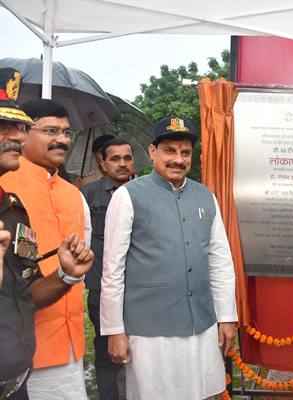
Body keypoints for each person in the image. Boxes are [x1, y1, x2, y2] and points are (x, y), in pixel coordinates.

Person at [101, 117, 237, 399]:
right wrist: (115, 330)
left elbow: (220, 261)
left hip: (201, 322)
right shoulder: (128, 196)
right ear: (153, 152)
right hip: (150, 330)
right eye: (169, 151)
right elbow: (112, 269)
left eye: (185, 152)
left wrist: (227, 317)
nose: (178, 159)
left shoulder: (206, 197)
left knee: (202, 392)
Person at [0, 68, 94, 400]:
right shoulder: (7, 184)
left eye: (67, 132)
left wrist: (70, 274)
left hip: (68, 341)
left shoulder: (73, 194)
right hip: (23, 347)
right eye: (51, 130)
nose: (62, 140)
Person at [80, 138, 134, 400]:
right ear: (103, 163)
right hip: (101, 290)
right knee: (106, 352)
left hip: (138, 290)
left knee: (140, 352)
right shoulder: (88, 195)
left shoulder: (143, 192)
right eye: (115, 158)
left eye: (127, 158)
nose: (122, 164)